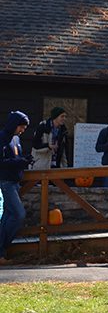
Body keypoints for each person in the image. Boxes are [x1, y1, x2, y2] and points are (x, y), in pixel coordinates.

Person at [0, 111, 30, 262]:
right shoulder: (2, 138)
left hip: (15, 181)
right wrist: (21, 162)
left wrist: (25, 161)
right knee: (19, 215)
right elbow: (2, 162)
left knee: (7, 217)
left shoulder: (16, 139)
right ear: (14, 124)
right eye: (21, 126)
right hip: (5, 182)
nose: (23, 130)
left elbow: (16, 158)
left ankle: (1, 252)